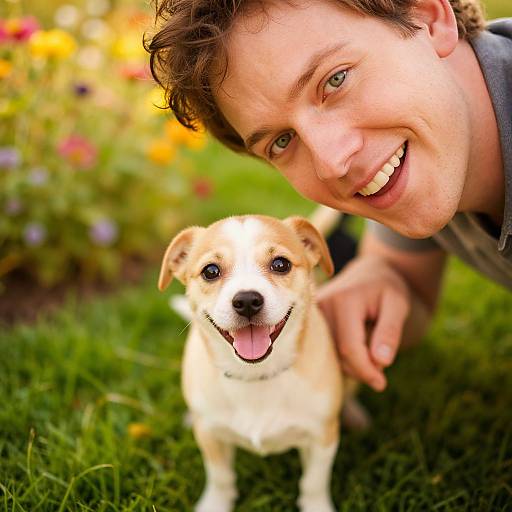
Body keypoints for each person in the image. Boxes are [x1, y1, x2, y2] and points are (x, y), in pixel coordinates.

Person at [146, 0, 512, 392]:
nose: (333, 161)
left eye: (335, 80)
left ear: (428, 17)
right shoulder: (430, 150)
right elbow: (407, 284)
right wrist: (387, 276)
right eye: (282, 141)